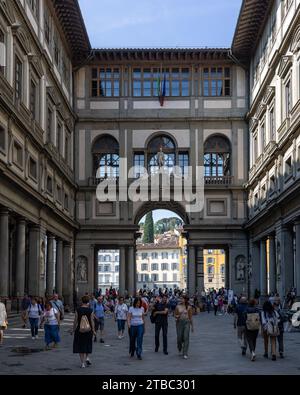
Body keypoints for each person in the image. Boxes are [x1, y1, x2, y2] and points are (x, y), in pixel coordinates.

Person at [72, 295, 96, 368]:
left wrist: (73, 329)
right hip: (88, 330)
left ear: (82, 301)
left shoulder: (78, 309)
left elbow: (75, 321)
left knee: (80, 346)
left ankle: (82, 363)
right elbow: (92, 321)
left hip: (79, 330)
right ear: (88, 301)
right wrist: (93, 330)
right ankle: (87, 358)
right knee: (87, 344)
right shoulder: (90, 310)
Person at [174, 295, 194, 359]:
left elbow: (191, 317)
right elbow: (175, 314)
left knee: (186, 337)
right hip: (179, 323)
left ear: (185, 299)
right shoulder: (178, 306)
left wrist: (192, 326)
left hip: (186, 322)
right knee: (179, 337)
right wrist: (177, 316)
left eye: (182, 298)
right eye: (180, 299)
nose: (181, 300)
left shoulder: (189, 307)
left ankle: (185, 353)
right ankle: (179, 347)